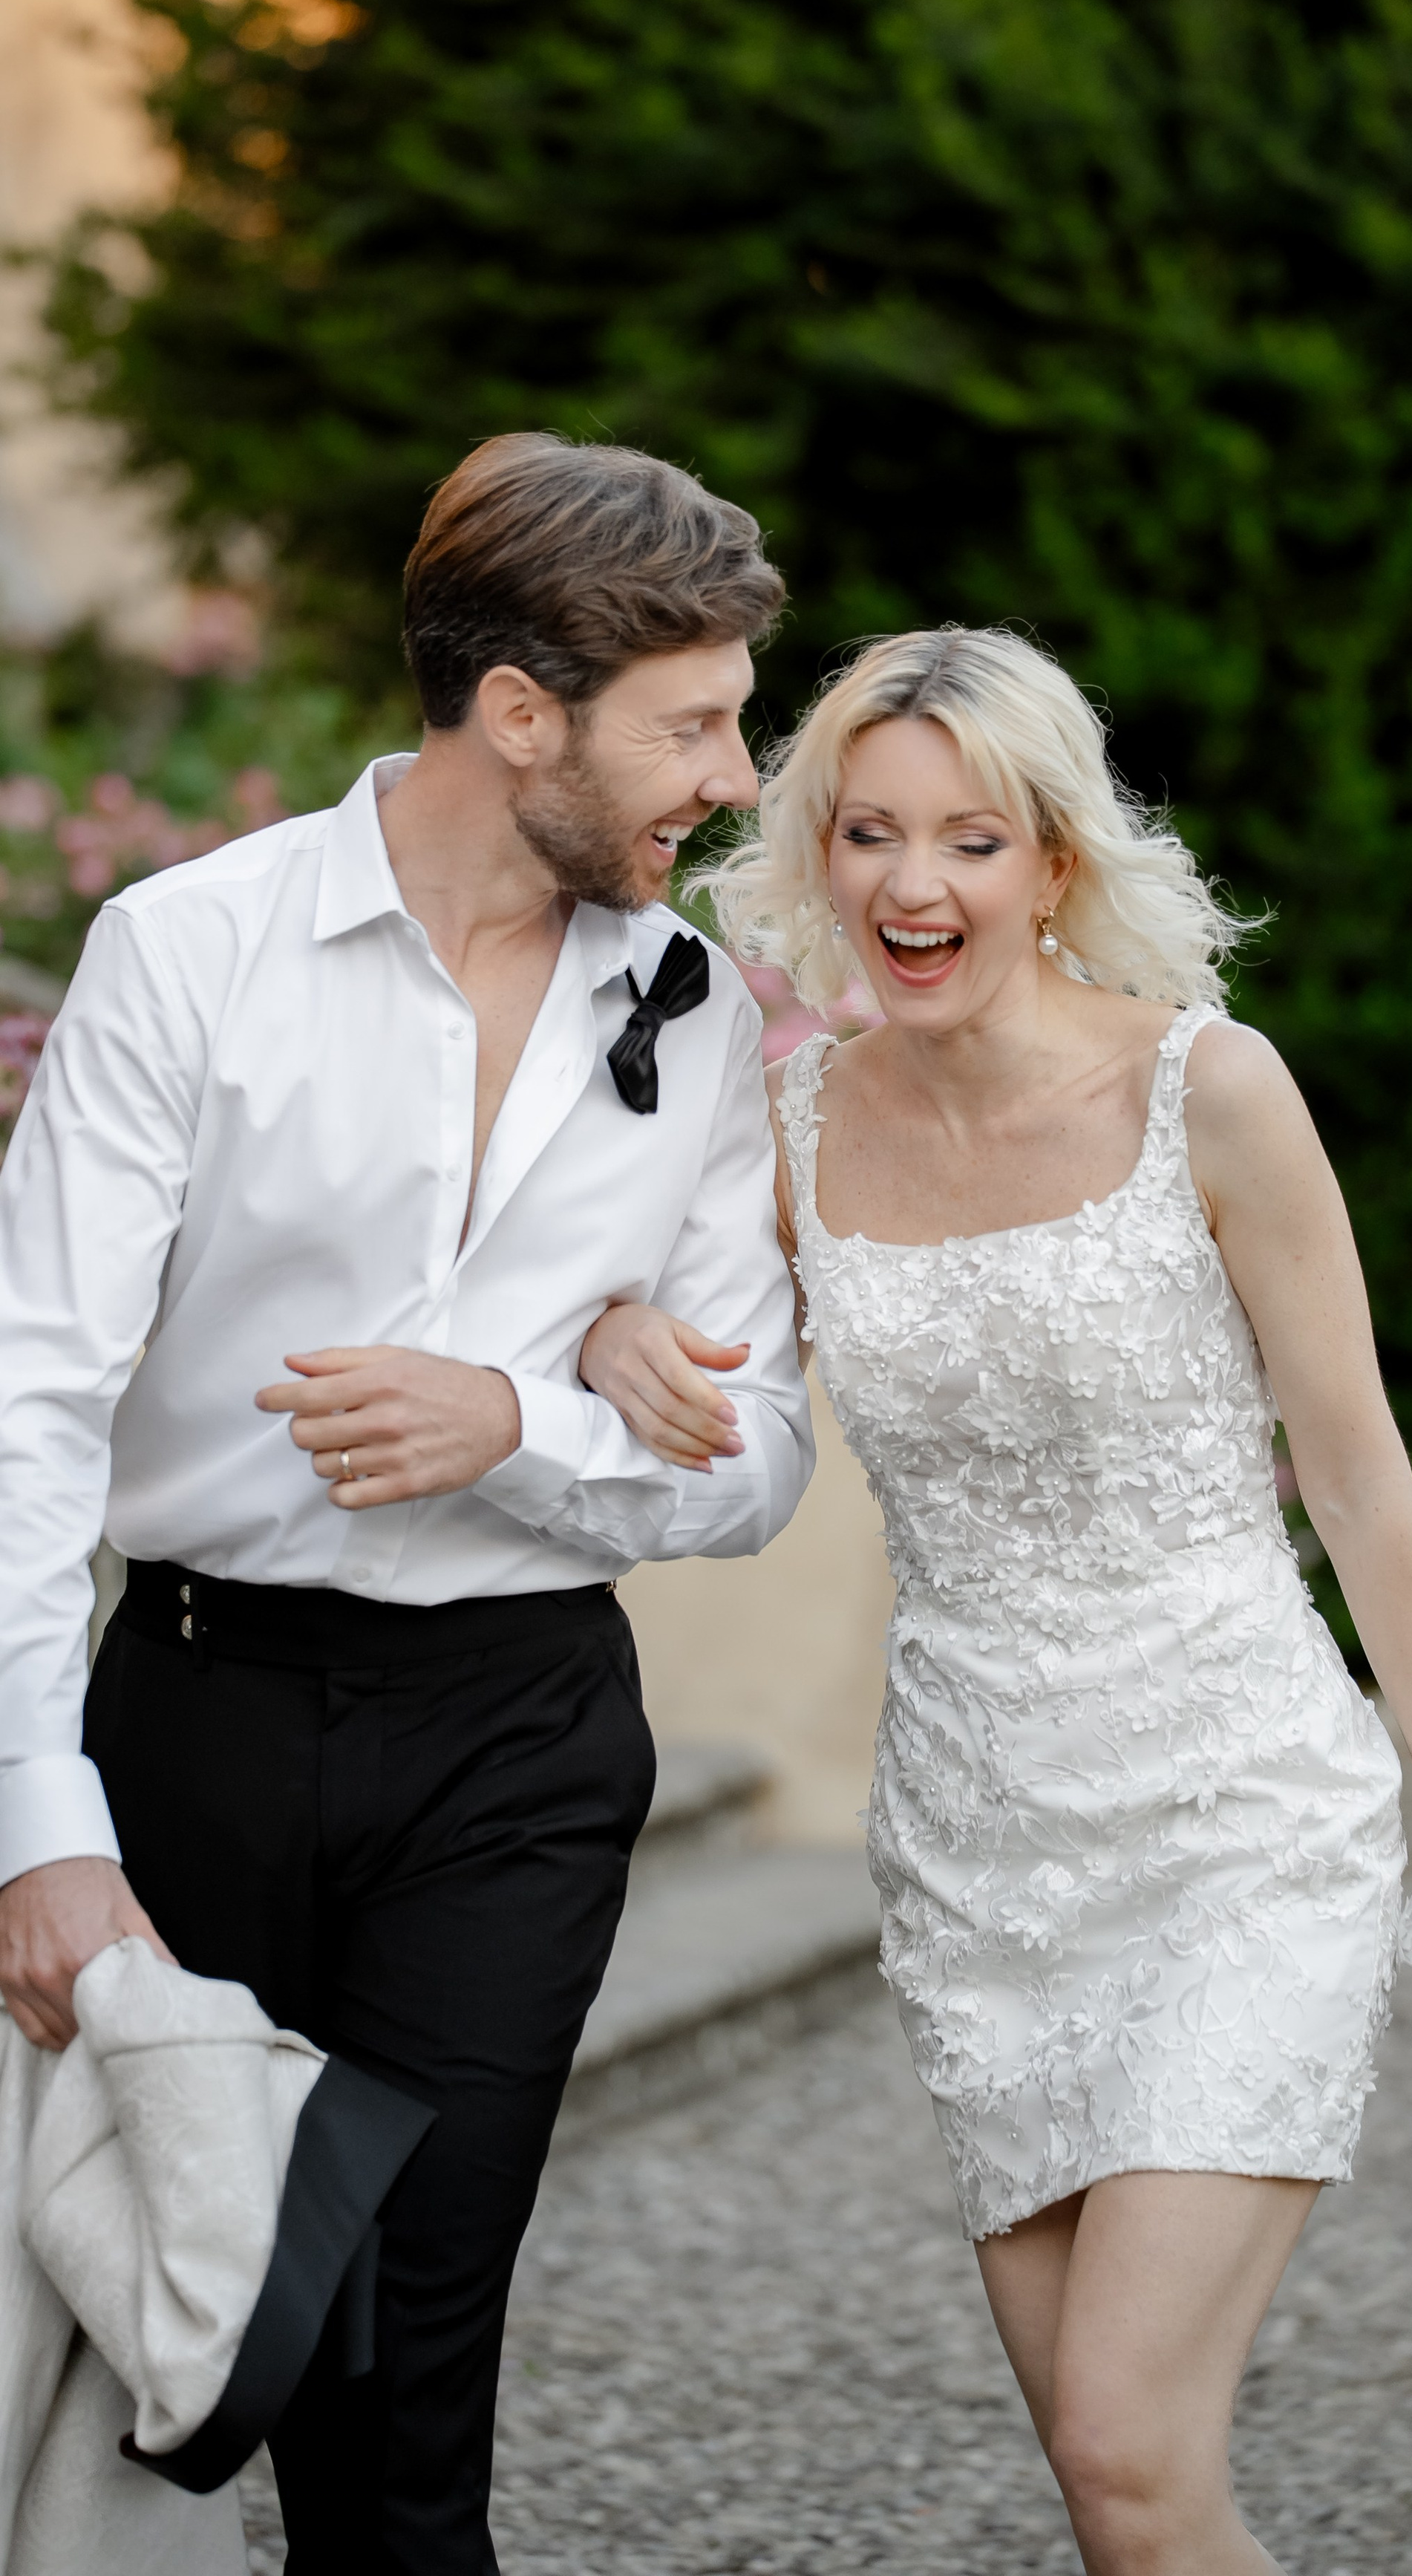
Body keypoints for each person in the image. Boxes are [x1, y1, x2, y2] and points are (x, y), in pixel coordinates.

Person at [580, 625, 1412, 2576]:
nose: (910, 886)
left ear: (1052, 862)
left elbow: (1366, 1484)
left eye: (969, 841)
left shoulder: (1215, 1091)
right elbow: (692, 1355)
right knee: (1118, 2488)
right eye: (869, 834)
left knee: (1132, 2450)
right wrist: (623, 1316)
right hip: (975, 1860)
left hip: (1236, 1819)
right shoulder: (783, 1135)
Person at [0, 433, 814, 2574]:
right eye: (696, 724)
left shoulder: (699, 1009)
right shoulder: (189, 952)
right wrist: (39, 1828)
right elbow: (27, 1405)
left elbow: (768, 1454)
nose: (733, 778)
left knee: (409, 2368)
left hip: (518, 1742)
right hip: (195, 1718)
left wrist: (516, 1424)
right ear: (521, 710)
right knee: (121, 2372)